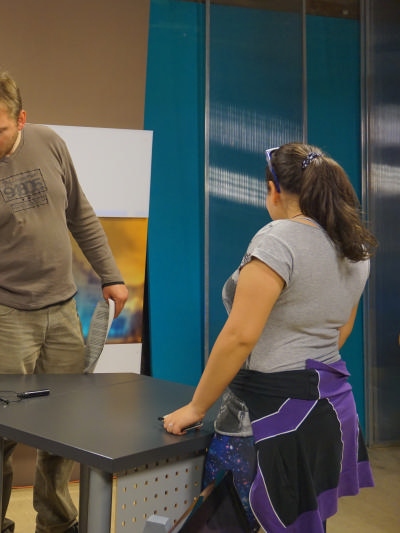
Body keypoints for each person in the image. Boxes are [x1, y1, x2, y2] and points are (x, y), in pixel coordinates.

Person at [0, 70, 129, 533]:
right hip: (2, 315)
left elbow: (80, 214)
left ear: (21, 120)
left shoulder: (49, 143)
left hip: (63, 309)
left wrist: (111, 275)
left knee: (63, 424)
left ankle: (56, 521)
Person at [161, 143, 377, 532]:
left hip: (268, 417)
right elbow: (341, 328)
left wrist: (196, 407)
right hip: (330, 410)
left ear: (275, 190)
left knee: (223, 520)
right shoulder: (354, 244)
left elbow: (240, 336)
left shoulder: (279, 238)